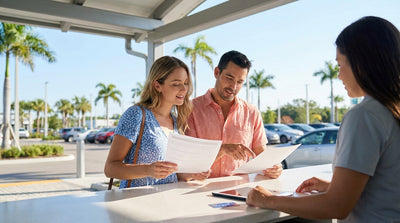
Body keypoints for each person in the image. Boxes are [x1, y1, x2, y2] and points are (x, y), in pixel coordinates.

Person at [246, 16, 400, 222]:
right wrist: (332, 187)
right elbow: (386, 188)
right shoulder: (390, 110)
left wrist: (268, 199)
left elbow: (336, 206)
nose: (338, 75)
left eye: (340, 65)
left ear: (361, 63)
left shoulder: (364, 115)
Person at [104, 56, 209, 188]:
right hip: (136, 203)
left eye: (186, 83)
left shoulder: (176, 122)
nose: (183, 89)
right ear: (157, 85)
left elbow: (173, 174)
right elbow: (110, 168)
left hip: (166, 202)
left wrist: (193, 174)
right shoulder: (136, 115)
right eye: (176, 84)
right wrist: (147, 170)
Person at [185, 50, 282, 178]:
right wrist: (223, 149)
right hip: (200, 191)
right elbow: (188, 159)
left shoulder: (252, 113)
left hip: (239, 193)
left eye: (240, 82)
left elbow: (261, 155)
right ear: (216, 72)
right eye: (229, 78)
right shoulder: (191, 109)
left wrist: (274, 168)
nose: (233, 86)